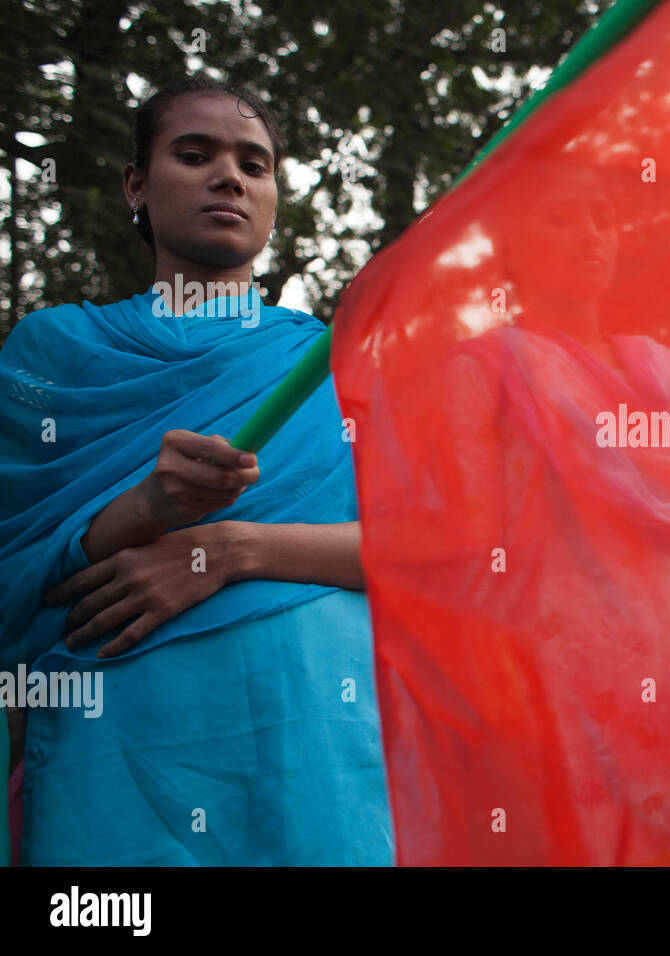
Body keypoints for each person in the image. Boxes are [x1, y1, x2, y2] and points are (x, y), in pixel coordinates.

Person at [0, 77, 393, 865]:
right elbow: (15, 570)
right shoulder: (55, 354)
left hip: (323, 742)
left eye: (256, 163)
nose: (230, 177)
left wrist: (229, 549)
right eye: (195, 154)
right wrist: (148, 506)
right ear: (136, 185)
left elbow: (429, 552)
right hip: (117, 750)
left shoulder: (335, 362)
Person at [403, 159, 670, 865]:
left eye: (602, 218)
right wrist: (500, 691)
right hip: (581, 671)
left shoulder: (666, 371)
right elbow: (477, 546)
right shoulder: (487, 369)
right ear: (512, 247)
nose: (589, 236)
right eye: (559, 217)